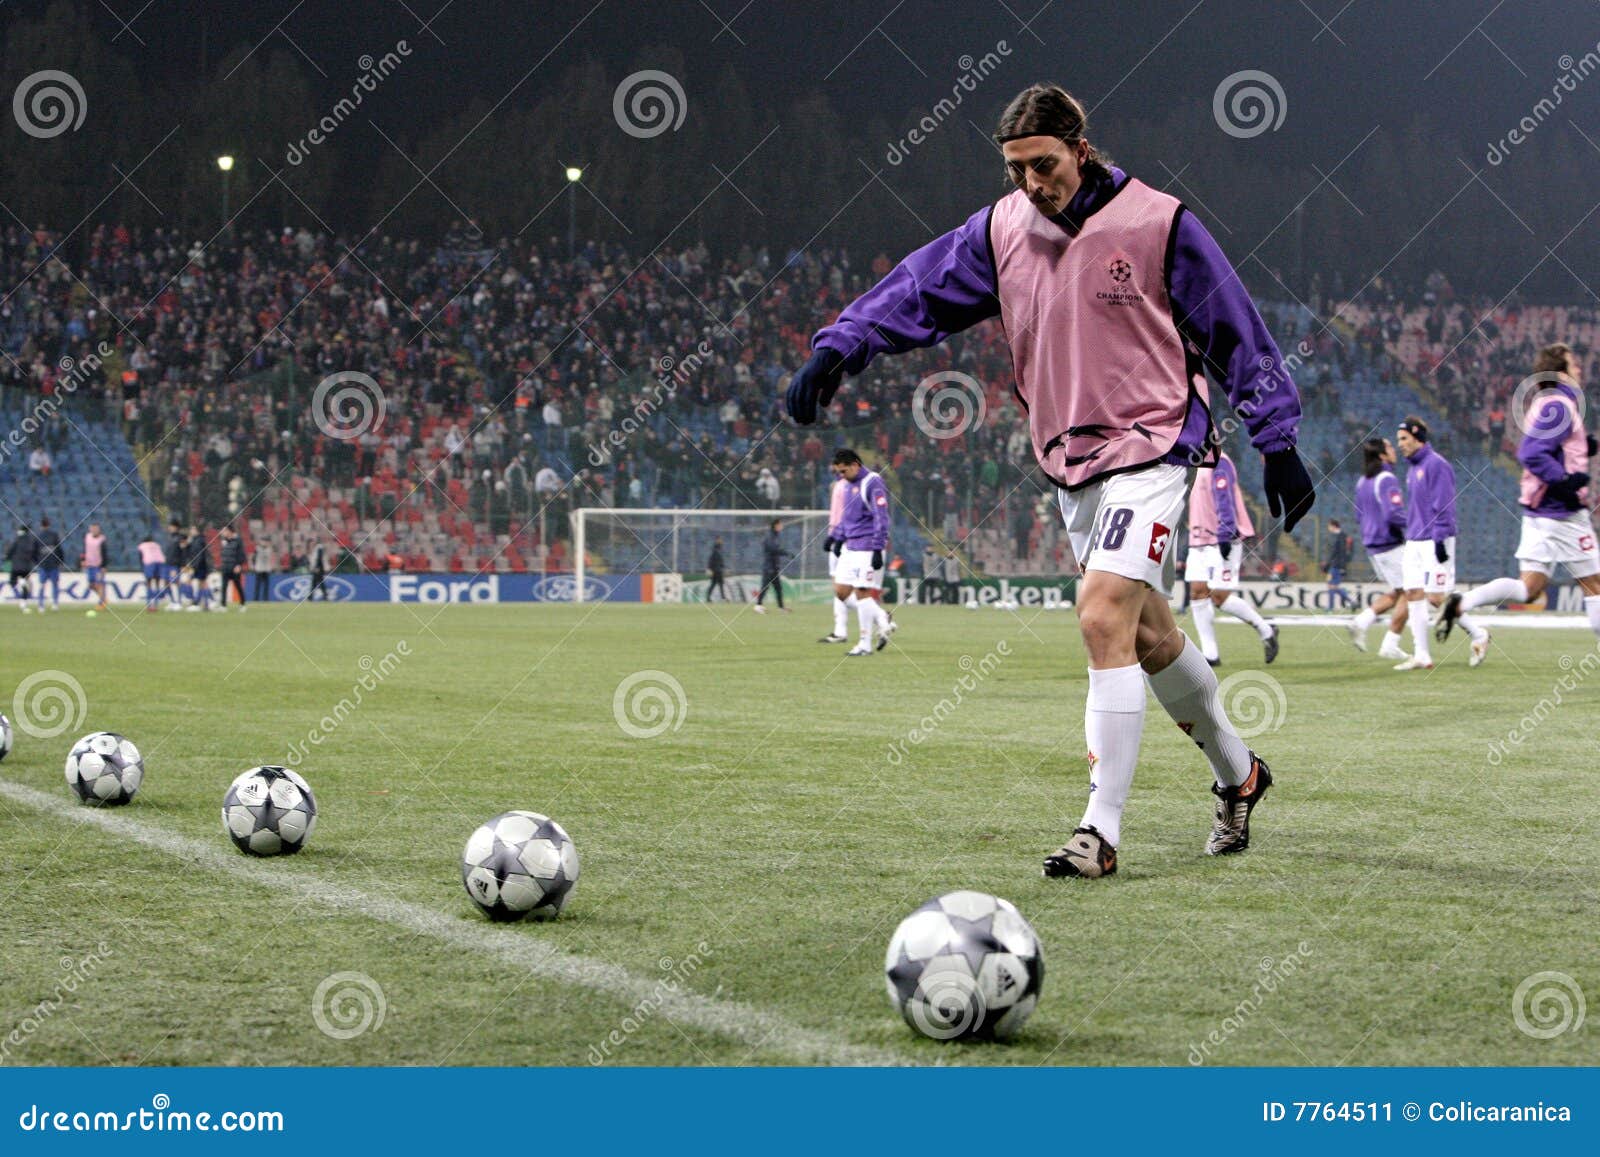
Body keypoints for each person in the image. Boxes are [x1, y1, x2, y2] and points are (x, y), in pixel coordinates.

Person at [786, 83, 1313, 875]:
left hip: (1157, 440)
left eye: (1043, 163)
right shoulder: (1001, 230)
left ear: (1080, 148)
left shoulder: (1158, 222)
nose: (1032, 183)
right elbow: (919, 287)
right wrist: (841, 345)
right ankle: (1242, 776)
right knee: (1149, 634)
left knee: (1100, 615)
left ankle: (1099, 831)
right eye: (1016, 169)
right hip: (1069, 458)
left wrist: (1276, 439)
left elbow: (1234, 324)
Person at [1438, 342, 1600, 659]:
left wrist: (1583, 447)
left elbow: (1551, 447)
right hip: (1561, 513)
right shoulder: (1559, 406)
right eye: (1573, 364)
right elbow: (1530, 452)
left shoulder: (1549, 404)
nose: (1579, 369)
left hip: (1539, 512)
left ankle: (1463, 603)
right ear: (1560, 372)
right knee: (1595, 585)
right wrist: (1564, 480)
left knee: (1529, 587)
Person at [1183, 450, 1279, 666]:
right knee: (1197, 592)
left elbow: (1224, 498)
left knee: (1218, 596)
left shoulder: (1219, 461)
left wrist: (1225, 533)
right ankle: (1211, 655)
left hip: (1221, 538)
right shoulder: (1197, 462)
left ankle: (1266, 630)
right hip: (1199, 538)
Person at [1392, 417, 1456, 671]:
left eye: (1404, 439)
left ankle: (1479, 634)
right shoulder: (1412, 468)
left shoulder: (1436, 465)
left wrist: (1440, 538)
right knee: (1412, 594)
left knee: (1437, 598)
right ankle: (1421, 655)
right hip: (1415, 539)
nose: (1400, 445)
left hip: (1434, 539)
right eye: (1398, 440)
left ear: (1418, 437)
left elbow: (1445, 503)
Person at [828, 448, 898, 654]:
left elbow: (881, 517)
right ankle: (881, 617)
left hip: (867, 546)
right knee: (841, 591)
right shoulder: (849, 485)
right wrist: (837, 538)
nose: (841, 476)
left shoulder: (872, 482)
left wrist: (878, 548)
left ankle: (864, 644)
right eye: (838, 472)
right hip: (851, 545)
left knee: (862, 592)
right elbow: (848, 516)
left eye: (843, 471)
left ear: (855, 465)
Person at [1346, 437, 1410, 659]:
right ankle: (1390, 645)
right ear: (1382, 455)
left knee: (1398, 591)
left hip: (1373, 544)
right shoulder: (1387, 478)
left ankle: (1360, 622)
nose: (1395, 449)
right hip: (1389, 543)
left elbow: (1357, 515)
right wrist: (1416, 524)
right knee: (1413, 591)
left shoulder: (1362, 481)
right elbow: (1394, 514)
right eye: (1390, 447)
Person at [820, 470, 854, 640]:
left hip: (843, 540)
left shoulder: (847, 486)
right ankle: (840, 630)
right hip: (839, 538)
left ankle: (879, 616)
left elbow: (846, 515)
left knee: (841, 589)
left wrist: (837, 538)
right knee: (839, 590)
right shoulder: (840, 485)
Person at [752, 519, 790, 613]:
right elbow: (773, 549)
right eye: (780, 525)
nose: (782, 526)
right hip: (769, 567)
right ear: (776, 525)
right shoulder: (770, 536)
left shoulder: (775, 536)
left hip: (774, 567)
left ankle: (781, 608)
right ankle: (758, 605)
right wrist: (785, 553)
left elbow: (776, 549)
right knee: (765, 586)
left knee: (778, 588)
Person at [1322, 519, 1354, 608]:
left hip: (1335, 565)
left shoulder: (1338, 537)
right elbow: (1348, 553)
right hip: (1337, 565)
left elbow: (1334, 552)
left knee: (1331, 585)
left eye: (1329, 526)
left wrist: (1327, 564)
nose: (1328, 528)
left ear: (1333, 526)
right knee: (1332, 585)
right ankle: (1351, 602)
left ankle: (1331, 607)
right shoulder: (1344, 536)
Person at [33, 516, 62, 611]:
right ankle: (55, 604)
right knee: (55, 584)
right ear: (49, 525)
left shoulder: (38, 536)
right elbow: (59, 550)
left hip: (43, 565)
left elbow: (34, 552)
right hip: (53, 564)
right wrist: (60, 561)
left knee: (42, 585)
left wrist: (37, 562)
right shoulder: (54, 535)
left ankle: (41, 605)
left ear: (41, 526)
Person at [6, 524, 36, 610]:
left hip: (16, 566)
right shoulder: (30, 541)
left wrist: (7, 558)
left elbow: (10, 551)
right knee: (25, 586)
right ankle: (23, 604)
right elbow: (33, 553)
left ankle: (19, 583)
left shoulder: (17, 540)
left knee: (12, 582)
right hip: (26, 567)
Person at [137, 531, 166, 612]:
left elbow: (141, 558)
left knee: (149, 583)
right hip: (160, 562)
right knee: (157, 584)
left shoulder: (142, 546)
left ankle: (149, 604)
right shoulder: (156, 545)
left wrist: (143, 569)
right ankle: (156, 605)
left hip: (149, 563)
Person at [187, 525, 214, 610]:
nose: (191, 531)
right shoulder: (197, 540)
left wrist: (194, 567)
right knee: (202, 584)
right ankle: (205, 603)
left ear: (197, 530)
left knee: (199, 584)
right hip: (201, 565)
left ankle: (199, 603)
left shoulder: (198, 541)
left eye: (192, 529)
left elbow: (199, 556)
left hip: (200, 566)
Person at [220, 526, 248, 610]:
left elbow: (242, 554)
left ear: (230, 531)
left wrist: (239, 565)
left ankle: (242, 604)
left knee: (238, 586)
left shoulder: (238, 541)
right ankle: (223, 605)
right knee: (224, 587)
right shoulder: (224, 541)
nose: (223, 532)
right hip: (225, 567)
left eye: (224, 531)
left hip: (234, 567)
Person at [82, 523, 108, 612]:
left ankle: (101, 603)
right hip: (89, 565)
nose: (94, 530)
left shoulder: (102, 539)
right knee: (91, 585)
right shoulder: (87, 537)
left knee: (99, 584)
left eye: (96, 529)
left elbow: (104, 553)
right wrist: (83, 560)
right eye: (92, 529)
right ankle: (104, 598)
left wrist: (104, 566)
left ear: (99, 530)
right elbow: (84, 549)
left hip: (98, 566)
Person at [252, 536, 275, 603]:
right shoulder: (257, 549)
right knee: (257, 586)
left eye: (266, 542)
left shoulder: (270, 549)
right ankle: (255, 599)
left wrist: (272, 566)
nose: (264, 543)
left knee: (266, 586)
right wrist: (253, 566)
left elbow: (272, 558)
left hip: (267, 569)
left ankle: (265, 599)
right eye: (263, 541)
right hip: (259, 569)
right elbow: (253, 558)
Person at [706, 537, 728, 602]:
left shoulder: (717, 550)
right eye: (720, 540)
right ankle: (722, 598)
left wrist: (723, 568)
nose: (721, 542)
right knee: (719, 584)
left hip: (717, 570)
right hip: (717, 570)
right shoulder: (716, 551)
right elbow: (712, 560)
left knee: (714, 584)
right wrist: (709, 568)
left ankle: (708, 597)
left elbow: (718, 561)